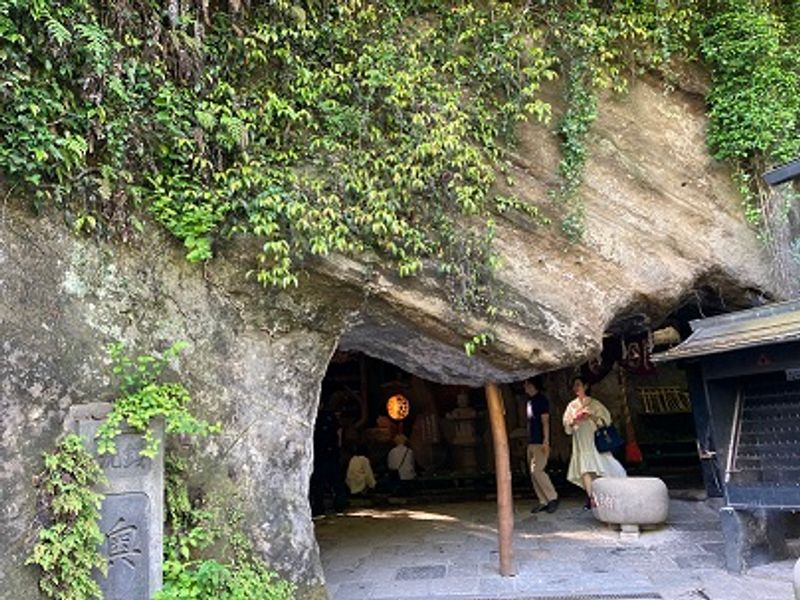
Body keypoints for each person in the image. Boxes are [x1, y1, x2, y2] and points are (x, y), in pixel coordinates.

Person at [563, 376, 626, 509]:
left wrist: (590, 416)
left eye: (578, 385)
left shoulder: (595, 404)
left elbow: (606, 421)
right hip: (580, 441)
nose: (576, 388)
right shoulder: (571, 405)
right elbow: (567, 426)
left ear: (585, 386)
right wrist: (574, 420)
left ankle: (603, 495)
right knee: (585, 470)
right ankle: (591, 498)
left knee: (598, 468)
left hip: (594, 440)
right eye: (574, 385)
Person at [523, 376, 559, 514]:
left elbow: (545, 421)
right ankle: (543, 501)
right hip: (531, 441)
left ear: (532, 385)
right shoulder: (530, 402)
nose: (524, 387)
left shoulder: (541, 400)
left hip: (540, 441)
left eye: (526, 384)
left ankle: (552, 498)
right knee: (533, 474)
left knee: (537, 470)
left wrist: (546, 441)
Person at [310, 396, 348, 517]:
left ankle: (319, 508)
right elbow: (339, 432)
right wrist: (339, 446)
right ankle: (340, 506)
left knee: (318, 482)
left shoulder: (313, 418)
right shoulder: (330, 417)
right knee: (336, 480)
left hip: (319, 453)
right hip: (331, 453)